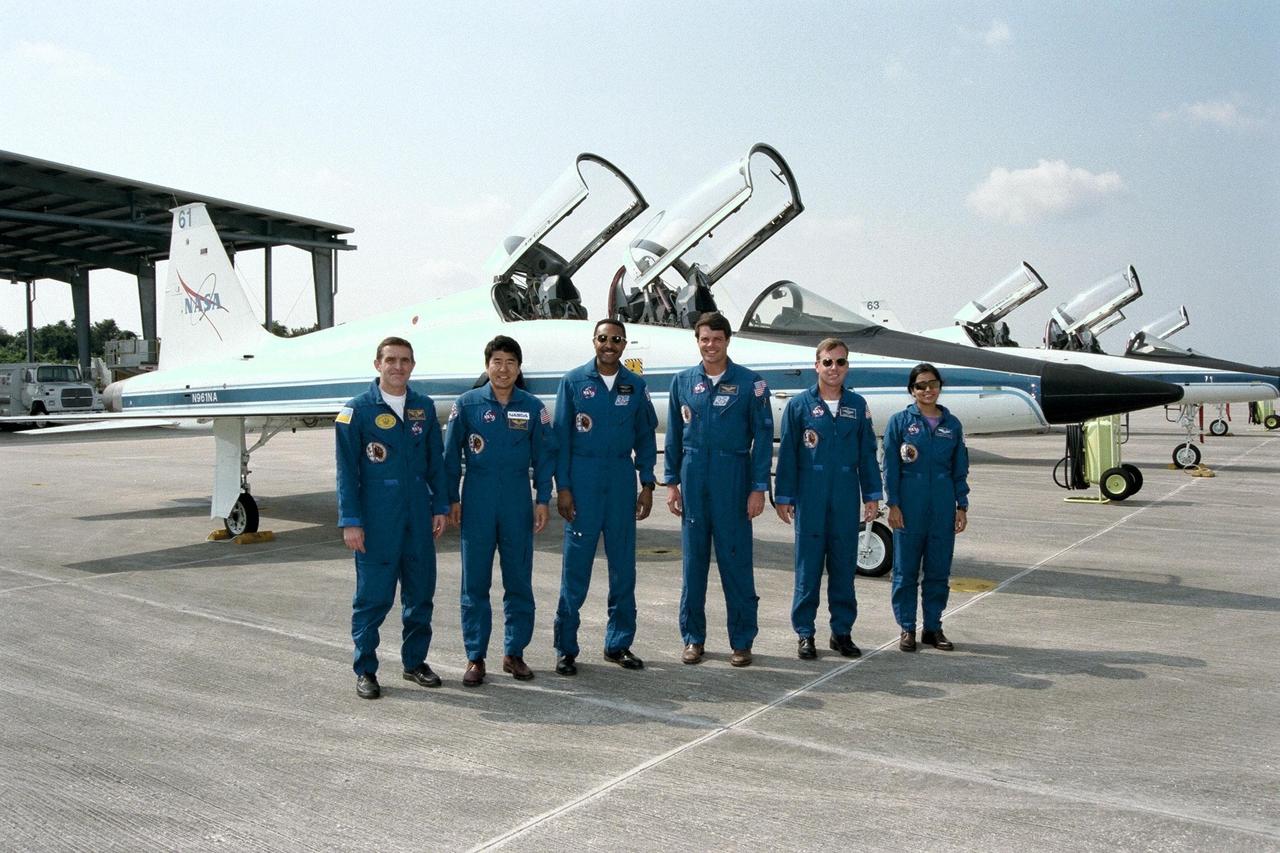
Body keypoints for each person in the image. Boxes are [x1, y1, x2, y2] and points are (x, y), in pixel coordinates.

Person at [335, 336, 448, 700]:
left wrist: (440, 506)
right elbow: (346, 472)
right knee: (373, 598)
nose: (398, 367)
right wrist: (351, 521)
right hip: (377, 519)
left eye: (405, 360)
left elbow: (435, 463)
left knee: (420, 594)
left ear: (412, 365)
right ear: (377, 365)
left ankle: (415, 662)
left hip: (417, 516)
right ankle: (365, 669)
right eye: (391, 360)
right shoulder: (356, 411)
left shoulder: (424, 408)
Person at [445, 335, 554, 686]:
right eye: (497, 362)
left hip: (516, 500)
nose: (503, 369)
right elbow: (450, 456)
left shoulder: (533, 408)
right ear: (487, 365)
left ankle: (514, 653)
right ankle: (475, 657)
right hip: (477, 497)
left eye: (510, 362)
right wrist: (451, 498)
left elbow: (545, 457)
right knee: (474, 582)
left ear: (519, 368)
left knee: (518, 580)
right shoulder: (467, 404)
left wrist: (542, 499)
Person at [665, 312, 773, 667]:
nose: (710, 345)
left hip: (734, 477)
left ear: (727, 340)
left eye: (717, 339)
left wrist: (758, 488)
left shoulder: (751, 384)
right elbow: (674, 436)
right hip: (694, 477)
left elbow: (762, 438)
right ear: (697, 341)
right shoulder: (682, 382)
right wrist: (672, 483)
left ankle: (742, 641)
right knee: (693, 564)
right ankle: (693, 638)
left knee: (736, 563)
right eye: (704, 339)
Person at [551, 319, 659, 675]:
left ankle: (619, 643)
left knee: (623, 568)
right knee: (575, 570)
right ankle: (566, 648)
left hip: (620, 480)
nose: (609, 344)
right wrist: (563, 488)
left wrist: (647, 483)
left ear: (624, 344)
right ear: (594, 341)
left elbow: (645, 437)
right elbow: (561, 439)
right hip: (583, 481)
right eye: (603, 338)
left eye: (616, 339)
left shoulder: (635, 385)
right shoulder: (573, 382)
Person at [774, 338, 882, 660]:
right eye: (828, 362)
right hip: (810, 496)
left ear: (847, 366)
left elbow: (867, 453)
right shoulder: (798, 406)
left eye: (841, 362)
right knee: (807, 569)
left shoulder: (858, 406)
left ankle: (842, 632)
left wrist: (872, 495)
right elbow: (789, 454)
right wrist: (784, 496)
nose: (834, 368)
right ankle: (805, 633)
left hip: (845, 495)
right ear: (817, 365)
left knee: (844, 567)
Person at [882, 363, 970, 652]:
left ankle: (933, 628)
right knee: (905, 571)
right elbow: (890, 467)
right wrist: (893, 504)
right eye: (921, 385)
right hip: (909, 505)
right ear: (912, 390)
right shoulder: (899, 423)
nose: (927, 390)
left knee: (938, 571)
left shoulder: (952, 425)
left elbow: (960, 469)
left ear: (940, 387)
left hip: (943, 505)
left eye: (933, 384)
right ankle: (907, 627)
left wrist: (961, 505)